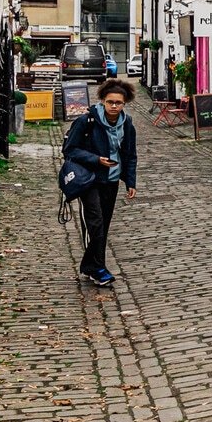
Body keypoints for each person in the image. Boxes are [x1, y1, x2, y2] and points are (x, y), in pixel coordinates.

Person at [64, 79, 137, 286]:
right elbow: (70, 149)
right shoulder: (86, 121)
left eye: (118, 103)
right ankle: (98, 269)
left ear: (124, 103)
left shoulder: (127, 124)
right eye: (110, 102)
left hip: (111, 180)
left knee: (103, 225)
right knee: (95, 224)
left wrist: (130, 181)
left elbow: (130, 154)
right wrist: (96, 159)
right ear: (103, 101)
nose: (114, 106)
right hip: (89, 179)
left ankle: (92, 266)